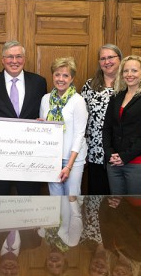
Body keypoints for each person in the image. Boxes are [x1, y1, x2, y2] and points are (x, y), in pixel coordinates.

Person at [0, 40, 47, 195]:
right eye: (10, 57)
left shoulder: (39, 82)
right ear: (2, 59)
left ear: (24, 59)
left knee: (29, 205)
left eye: (18, 56)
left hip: (30, 159)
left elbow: (43, 115)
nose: (14, 61)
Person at [102, 55, 141, 195]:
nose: (129, 74)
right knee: (116, 206)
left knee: (134, 208)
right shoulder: (116, 96)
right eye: (126, 71)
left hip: (136, 163)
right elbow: (107, 128)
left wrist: (125, 157)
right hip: (113, 162)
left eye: (134, 70)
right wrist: (110, 154)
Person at [39, 57, 87, 196]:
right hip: (52, 157)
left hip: (72, 159)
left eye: (65, 75)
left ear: (72, 78)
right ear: (52, 75)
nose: (61, 79)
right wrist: (40, 125)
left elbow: (79, 135)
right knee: (56, 201)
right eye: (57, 74)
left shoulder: (78, 101)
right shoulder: (46, 99)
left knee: (72, 199)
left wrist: (69, 166)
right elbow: (45, 130)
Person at [81, 44, 122, 195]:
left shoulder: (128, 85)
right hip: (95, 151)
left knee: (118, 200)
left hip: (120, 153)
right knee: (97, 196)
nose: (107, 61)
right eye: (103, 58)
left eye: (111, 57)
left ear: (120, 59)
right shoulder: (90, 85)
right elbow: (81, 117)